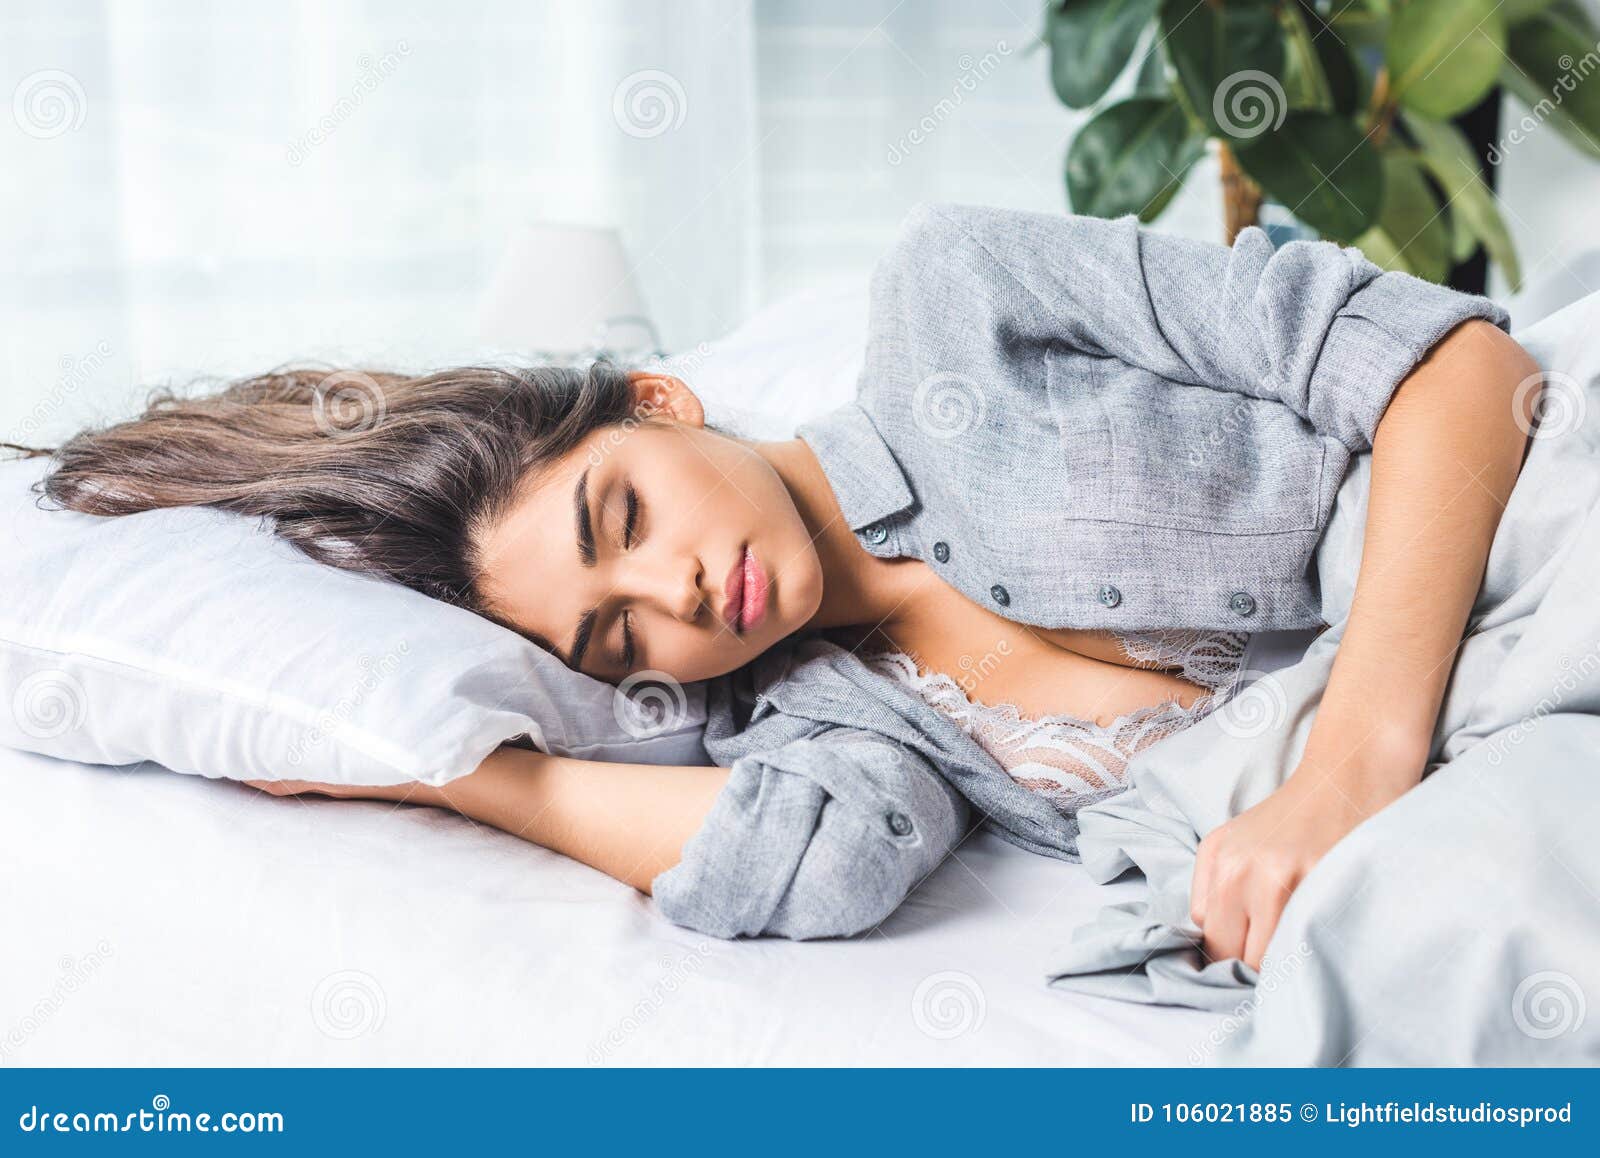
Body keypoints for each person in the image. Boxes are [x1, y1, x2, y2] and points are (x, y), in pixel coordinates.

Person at [29, 204, 1539, 962]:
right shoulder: (821, 719)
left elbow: (1455, 369)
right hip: (1505, 786)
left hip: (1544, 551)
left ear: (663, 400)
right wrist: (462, 779)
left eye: (623, 512)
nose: (678, 594)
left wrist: (1354, 754)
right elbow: (804, 869)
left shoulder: (962, 300)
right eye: (616, 630)